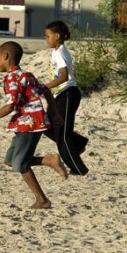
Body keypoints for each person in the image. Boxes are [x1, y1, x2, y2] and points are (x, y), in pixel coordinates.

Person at [0, 41, 67, 209]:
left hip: (29, 126)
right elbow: (46, 91)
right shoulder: (27, 75)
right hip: (29, 125)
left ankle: (42, 200)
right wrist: (53, 112)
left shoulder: (12, 78)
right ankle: (49, 160)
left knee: (20, 164)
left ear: (5, 56)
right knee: (11, 161)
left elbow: (10, 106)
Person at [42, 20, 89, 176]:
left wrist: (45, 87)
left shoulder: (61, 52)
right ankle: (79, 142)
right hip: (59, 95)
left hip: (68, 93)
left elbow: (64, 76)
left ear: (57, 36)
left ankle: (78, 168)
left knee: (63, 135)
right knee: (46, 125)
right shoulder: (55, 52)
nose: (46, 39)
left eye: (48, 36)